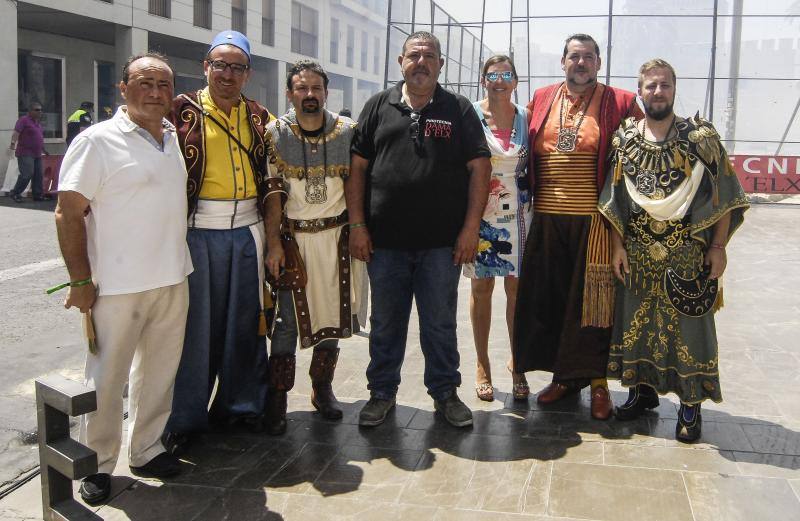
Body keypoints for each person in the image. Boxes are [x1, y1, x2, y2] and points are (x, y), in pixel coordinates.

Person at [55, 52, 193, 505]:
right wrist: (80, 280)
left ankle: (148, 448)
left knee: (159, 374)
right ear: (123, 88)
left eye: (164, 85)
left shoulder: (172, 136)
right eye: (145, 83)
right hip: (116, 286)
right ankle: (96, 465)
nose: (155, 93)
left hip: (173, 277)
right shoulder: (96, 141)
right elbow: (68, 211)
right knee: (106, 381)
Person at [348, 31, 492, 428]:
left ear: (440, 65)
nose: (422, 62)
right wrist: (357, 224)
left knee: (440, 324)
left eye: (430, 56)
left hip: (441, 246)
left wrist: (469, 229)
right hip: (385, 244)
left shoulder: (458, 109)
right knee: (386, 324)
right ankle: (381, 393)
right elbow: (357, 169)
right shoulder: (378, 106)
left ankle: (445, 393)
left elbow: (480, 168)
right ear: (401, 61)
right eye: (414, 55)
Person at [600, 59, 748, 441]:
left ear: (674, 89)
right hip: (637, 252)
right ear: (641, 90)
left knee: (690, 330)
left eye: (664, 85)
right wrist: (617, 245)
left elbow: (725, 196)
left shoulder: (700, 139)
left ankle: (690, 405)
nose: (658, 92)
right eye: (650, 86)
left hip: (687, 253)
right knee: (638, 325)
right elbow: (614, 199)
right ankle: (641, 393)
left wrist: (718, 246)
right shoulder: (626, 138)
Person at [512, 34, 643, 420]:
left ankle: (599, 384)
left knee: (593, 306)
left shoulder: (620, 102)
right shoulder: (541, 99)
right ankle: (565, 380)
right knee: (552, 302)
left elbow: (643, 153)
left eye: (588, 57)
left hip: (596, 221)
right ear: (563, 61)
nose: (580, 63)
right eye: (574, 56)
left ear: (599, 63)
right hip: (547, 219)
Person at [164, 30, 275, 450]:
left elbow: (272, 179)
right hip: (197, 233)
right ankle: (184, 418)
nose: (228, 74)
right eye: (220, 65)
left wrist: (275, 241)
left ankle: (241, 406)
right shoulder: (179, 112)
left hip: (248, 231)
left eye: (237, 67)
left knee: (246, 323)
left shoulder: (260, 117)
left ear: (248, 73)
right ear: (205, 67)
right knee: (195, 328)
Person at [263, 60, 362, 435]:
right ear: (290, 93)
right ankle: (277, 398)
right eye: (301, 88)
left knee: (334, 321)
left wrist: (358, 231)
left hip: (336, 240)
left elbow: (358, 185)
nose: (309, 95)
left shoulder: (347, 131)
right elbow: (272, 191)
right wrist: (274, 243)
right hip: (295, 243)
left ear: (326, 92)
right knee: (286, 324)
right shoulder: (276, 133)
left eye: (316, 88)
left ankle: (322, 390)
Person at [465, 55, 532, 402]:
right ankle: (481, 365)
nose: (500, 80)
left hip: (520, 216)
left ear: (516, 81)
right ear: (483, 80)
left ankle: (517, 361)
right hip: (482, 214)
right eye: (493, 75)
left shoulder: (527, 117)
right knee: (482, 290)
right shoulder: (469, 115)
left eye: (506, 74)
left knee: (517, 292)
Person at [8, 103, 47, 202]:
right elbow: (16, 133)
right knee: (27, 174)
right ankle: (15, 193)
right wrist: (12, 144)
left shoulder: (37, 123)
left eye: (40, 110)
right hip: (25, 153)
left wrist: (44, 149)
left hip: (37, 153)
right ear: (30, 111)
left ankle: (37, 195)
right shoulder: (23, 120)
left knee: (38, 175)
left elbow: (39, 138)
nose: (39, 112)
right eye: (37, 110)